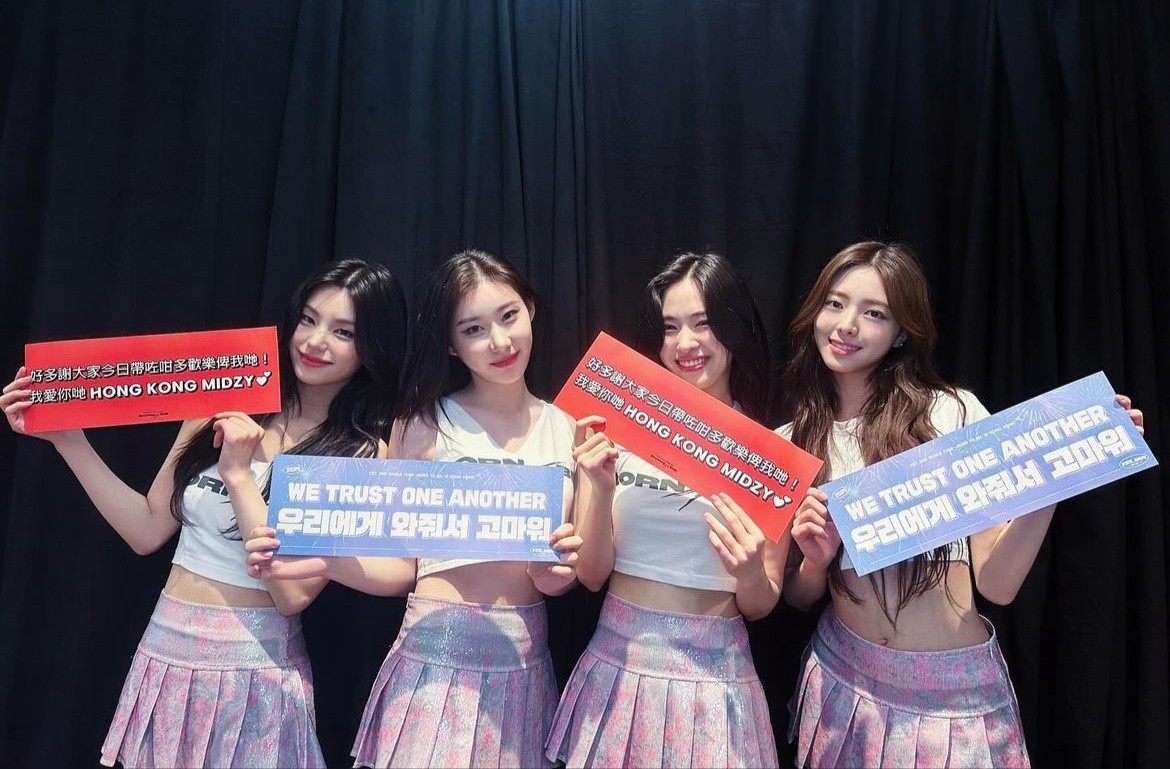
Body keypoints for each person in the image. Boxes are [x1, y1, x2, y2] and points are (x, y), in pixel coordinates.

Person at [0, 258, 408, 768]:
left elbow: (291, 595)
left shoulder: (360, 454)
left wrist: (238, 475)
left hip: (254, 671)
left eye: (343, 331)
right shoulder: (224, 400)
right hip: (166, 651)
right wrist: (68, 441)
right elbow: (147, 529)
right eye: (308, 319)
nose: (315, 341)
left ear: (372, 345)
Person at [778, 241, 1145, 768]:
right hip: (844, 680)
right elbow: (797, 596)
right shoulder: (793, 440)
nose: (847, 325)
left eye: (874, 313)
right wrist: (816, 561)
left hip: (952, 697)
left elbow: (997, 583)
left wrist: (1054, 477)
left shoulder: (950, 413)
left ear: (902, 332)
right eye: (835, 304)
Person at [248, 249, 583, 768]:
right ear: (450, 343)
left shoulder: (569, 428)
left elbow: (569, 569)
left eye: (508, 316)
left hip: (524, 660)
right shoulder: (423, 422)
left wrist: (558, 576)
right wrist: (327, 559)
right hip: (433, 655)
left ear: (531, 310)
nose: (499, 342)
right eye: (473, 329)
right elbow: (404, 565)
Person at [546, 252, 787, 768]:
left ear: (734, 327)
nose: (685, 344)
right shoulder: (616, 427)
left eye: (704, 323)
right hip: (618, 663)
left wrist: (749, 571)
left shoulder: (770, 454)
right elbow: (591, 575)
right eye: (670, 327)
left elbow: (762, 603)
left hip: (717, 675)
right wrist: (599, 487)